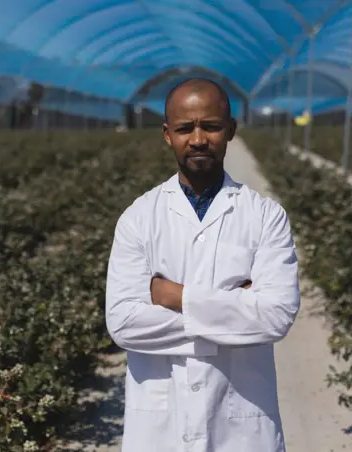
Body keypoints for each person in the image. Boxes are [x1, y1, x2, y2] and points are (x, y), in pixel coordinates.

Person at [104, 77, 301, 452]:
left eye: (210, 126)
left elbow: (276, 315)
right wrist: (234, 308)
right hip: (160, 431)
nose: (197, 139)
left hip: (242, 429)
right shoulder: (138, 218)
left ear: (230, 130)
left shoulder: (265, 217)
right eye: (184, 128)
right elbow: (125, 323)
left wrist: (172, 296)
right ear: (167, 134)